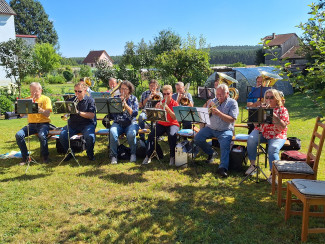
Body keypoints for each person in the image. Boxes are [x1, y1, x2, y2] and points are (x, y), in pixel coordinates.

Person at [194, 84, 239, 178]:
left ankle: (223, 168)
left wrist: (219, 113)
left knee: (224, 146)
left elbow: (232, 119)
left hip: (225, 129)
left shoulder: (232, 103)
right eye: (217, 94)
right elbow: (204, 116)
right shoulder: (213, 100)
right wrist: (208, 109)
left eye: (220, 95)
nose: (218, 97)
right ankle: (211, 153)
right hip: (211, 128)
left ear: (227, 93)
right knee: (197, 138)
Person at [246, 89, 289, 183]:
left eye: (271, 97)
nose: (269, 99)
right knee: (251, 139)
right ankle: (253, 166)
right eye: (267, 97)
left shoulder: (282, 110)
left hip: (277, 134)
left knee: (273, 148)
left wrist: (271, 113)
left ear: (276, 98)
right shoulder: (262, 108)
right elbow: (256, 125)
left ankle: (273, 175)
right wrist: (256, 115)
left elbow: (282, 126)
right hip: (262, 131)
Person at [16, 82, 52, 164]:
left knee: (42, 136)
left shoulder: (46, 99)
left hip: (44, 124)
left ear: (41, 90)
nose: (33, 93)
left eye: (35, 91)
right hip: (31, 125)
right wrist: (22, 107)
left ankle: (44, 157)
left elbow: (47, 114)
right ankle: (25, 157)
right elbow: (21, 115)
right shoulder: (27, 99)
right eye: (31, 91)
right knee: (19, 135)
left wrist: (36, 106)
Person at [142, 85, 179, 166]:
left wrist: (167, 109)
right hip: (162, 123)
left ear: (171, 94)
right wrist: (157, 110)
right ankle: (148, 156)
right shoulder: (160, 103)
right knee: (151, 135)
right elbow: (155, 118)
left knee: (172, 135)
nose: (166, 96)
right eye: (164, 94)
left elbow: (174, 117)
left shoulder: (175, 103)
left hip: (173, 124)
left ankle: (172, 156)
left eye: (168, 94)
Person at [59, 82, 96, 161]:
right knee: (62, 135)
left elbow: (91, 115)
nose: (77, 93)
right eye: (75, 91)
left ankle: (90, 153)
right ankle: (70, 153)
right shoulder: (71, 100)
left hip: (87, 124)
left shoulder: (90, 101)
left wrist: (78, 112)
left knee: (90, 137)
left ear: (85, 91)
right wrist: (67, 113)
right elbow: (67, 113)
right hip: (73, 124)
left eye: (79, 91)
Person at [109, 80, 139, 164]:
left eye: (125, 89)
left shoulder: (134, 99)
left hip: (130, 123)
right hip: (118, 123)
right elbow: (112, 114)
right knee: (112, 131)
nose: (123, 91)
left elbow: (135, 113)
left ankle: (133, 154)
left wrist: (125, 105)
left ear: (129, 89)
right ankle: (114, 155)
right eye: (121, 88)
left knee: (131, 134)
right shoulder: (116, 98)